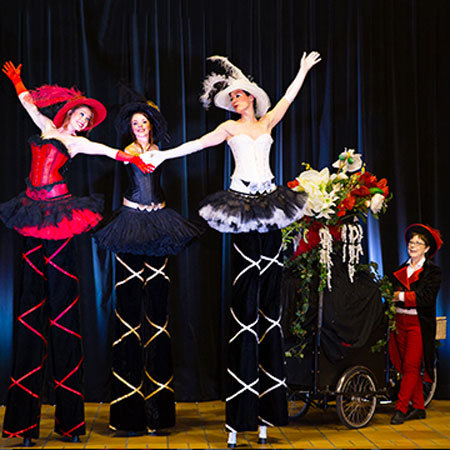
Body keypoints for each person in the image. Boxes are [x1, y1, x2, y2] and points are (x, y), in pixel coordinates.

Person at [145, 51, 321, 447]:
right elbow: (196, 145)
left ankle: (267, 413)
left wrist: (302, 70)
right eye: (233, 99)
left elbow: (289, 100)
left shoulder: (269, 120)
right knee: (246, 300)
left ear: (253, 99)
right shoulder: (228, 128)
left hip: (272, 203)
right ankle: (239, 414)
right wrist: (162, 156)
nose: (237, 102)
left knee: (270, 301)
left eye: (241, 97)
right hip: (242, 205)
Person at [0, 61, 152, 447]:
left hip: (60, 216)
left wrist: (134, 158)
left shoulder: (77, 142)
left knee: (63, 310)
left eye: (87, 119)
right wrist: (19, 81)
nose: (83, 122)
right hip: (31, 214)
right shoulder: (47, 129)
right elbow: (29, 107)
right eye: (80, 115)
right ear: (68, 112)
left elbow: (109, 152)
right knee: (30, 310)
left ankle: (69, 423)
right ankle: (23, 424)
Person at [94, 92, 203, 435]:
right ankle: (127, 413)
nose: (139, 127)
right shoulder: (127, 153)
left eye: (144, 123)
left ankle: (159, 413)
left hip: (159, 225)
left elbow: (188, 149)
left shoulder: (160, 151)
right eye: (134, 124)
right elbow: (116, 156)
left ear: (152, 127)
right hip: (129, 225)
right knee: (127, 314)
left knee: (158, 314)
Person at [389, 224, 443, 425]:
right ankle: (419, 407)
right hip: (399, 322)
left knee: (412, 365)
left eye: (418, 243)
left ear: (426, 248)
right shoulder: (401, 269)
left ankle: (401, 409)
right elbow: (393, 296)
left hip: (418, 324)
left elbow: (426, 298)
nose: (413, 245)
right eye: (411, 242)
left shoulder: (433, 272)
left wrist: (402, 295)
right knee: (404, 366)